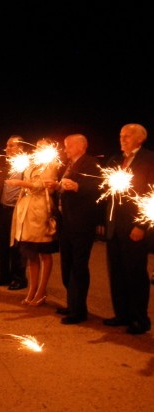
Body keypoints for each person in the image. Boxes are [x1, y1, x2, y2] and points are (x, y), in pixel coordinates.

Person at [102, 123, 154, 334]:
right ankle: (121, 314)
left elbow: (152, 194)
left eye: (127, 136)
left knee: (135, 274)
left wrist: (141, 225)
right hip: (114, 225)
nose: (122, 139)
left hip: (134, 226)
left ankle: (140, 319)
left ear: (140, 138)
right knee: (116, 272)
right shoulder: (116, 159)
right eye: (121, 136)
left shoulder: (149, 159)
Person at [45, 134, 102, 324]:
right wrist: (57, 186)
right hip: (66, 222)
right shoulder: (69, 165)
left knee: (78, 266)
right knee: (67, 265)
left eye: (68, 146)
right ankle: (72, 304)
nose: (65, 149)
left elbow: (97, 186)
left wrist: (77, 186)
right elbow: (66, 186)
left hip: (81, 223)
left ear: (81, 146)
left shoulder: (91, 164)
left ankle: (79, 311)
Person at [7, 137, 60, 307]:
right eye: (37, 146)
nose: (38, 149)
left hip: (40, 211)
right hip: (27, 211)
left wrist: (21, 183)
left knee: (44, 252)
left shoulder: (51, 165)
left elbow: (41, 185)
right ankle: (32, 289)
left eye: (43, 147)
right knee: (31, 254)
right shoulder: (31, 164)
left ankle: (41, 291)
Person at [0, 135, 28, 290]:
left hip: (17, 210)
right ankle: (3, 276)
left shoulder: (27, 164)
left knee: (17, 246)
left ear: (21, 147)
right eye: (7, 145)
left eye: (11, 145)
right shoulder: (1, 162)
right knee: (2, 244)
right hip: (2, 209)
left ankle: (19, 278)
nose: (7, 148)